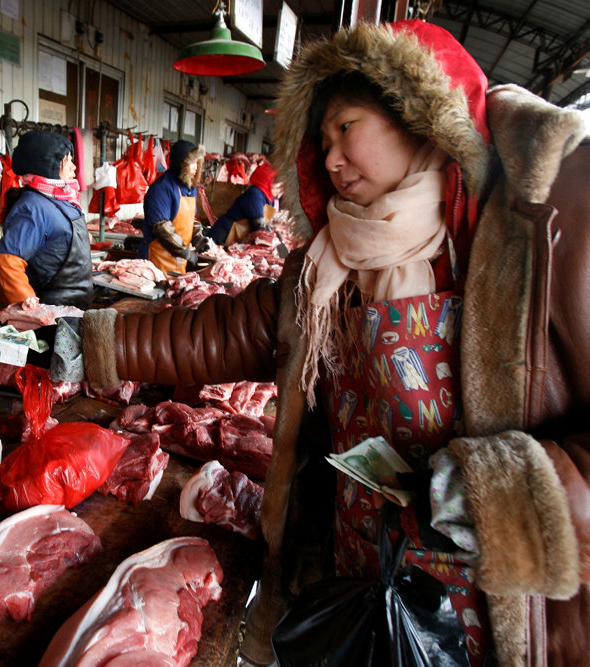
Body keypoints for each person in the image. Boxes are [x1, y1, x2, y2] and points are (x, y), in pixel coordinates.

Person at [74, 20, 590, 666]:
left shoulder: (545, 233)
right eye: (321, 142)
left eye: (346, 128)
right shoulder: (329, 261)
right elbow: (225, 332)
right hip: (355, 590)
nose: (333, 159)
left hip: (490, 621)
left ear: (419, 114)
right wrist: (91, 346)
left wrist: (510, 497)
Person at [0, 130, 93, 310]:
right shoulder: (32, 207)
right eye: (67, 160)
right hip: (50, 316)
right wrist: (33, 315)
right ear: (48, 165)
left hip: (73, 309)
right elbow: (7, 263)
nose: (73, 167)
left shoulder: (60, 200)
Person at [138, 139, 210, 273]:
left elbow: (189, 220)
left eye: (197, 163)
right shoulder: (162, 188)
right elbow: (162, 228)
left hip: (178, 259)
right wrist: (185, 252)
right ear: (181, 164)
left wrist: (198, 237)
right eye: (192, 163)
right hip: (157, 261)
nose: (196, 167)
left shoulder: (189, 187)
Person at [205, 160, 277, 246]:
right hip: (225, 233)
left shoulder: (269, 197)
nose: (281, 188)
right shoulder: (255, 194)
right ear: (267, 181)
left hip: (238, 237)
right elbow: (259, 227)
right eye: (277, 184)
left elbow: (268, 225)